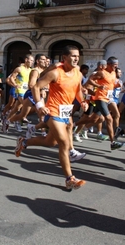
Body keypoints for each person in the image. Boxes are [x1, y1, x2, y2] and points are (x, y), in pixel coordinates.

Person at [14, 45, 88, 191]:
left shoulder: (78, 73)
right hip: (53, 111)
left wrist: (83, 101)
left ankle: (24, 142)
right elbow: (35, 87)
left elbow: (78, 89)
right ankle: (70, 178)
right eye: (73, 56)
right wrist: (40, 105)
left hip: (66, 113)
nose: (76, 59)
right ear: (64, 58)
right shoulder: (55, 73)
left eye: (78, 56)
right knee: (64, 143)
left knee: (50, 142)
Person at [85, 59, 125, 150]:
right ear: (109, 64)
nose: (116, 66)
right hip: (100, 98)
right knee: (108, 118)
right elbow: (89, 80)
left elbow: (109, 85)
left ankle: (78, 127)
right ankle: (113, 142)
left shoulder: (113, 73)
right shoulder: (101, 73)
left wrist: (116, 86)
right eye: (115, 64)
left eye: (117, 64)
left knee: (94, 119)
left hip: (108, 98)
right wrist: (98, 86)